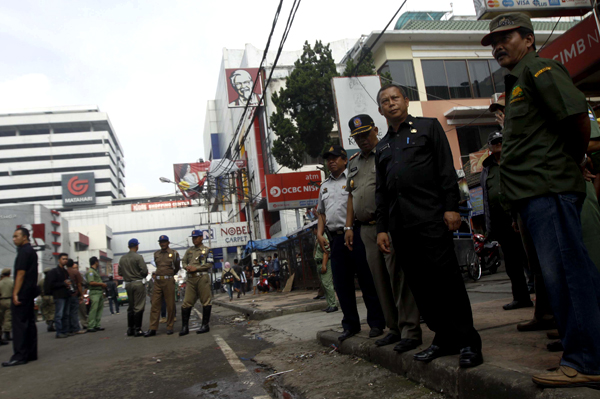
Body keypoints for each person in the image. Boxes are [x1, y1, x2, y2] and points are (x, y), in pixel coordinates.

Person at [481, 13, 600, 386]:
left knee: (568, 276)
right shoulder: (516, 82)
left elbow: (577, 117)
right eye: (494, 41)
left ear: (529, 40)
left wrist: (571, 162)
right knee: (560, 279)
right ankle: (580, 354)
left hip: (549, 192)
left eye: (507, 37)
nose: (499, 45)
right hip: (534, 198)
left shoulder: (539, 70)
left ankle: (586, 362)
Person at [375, 84, 483, 368]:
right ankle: (444, 337)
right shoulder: (382, 146)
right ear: (380, 109)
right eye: (385, 101)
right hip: (401, 227)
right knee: (421, 286)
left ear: (406, 101)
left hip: (431, 219)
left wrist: (451, 207)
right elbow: (382, 192)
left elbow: (445, 169)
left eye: (395, 97)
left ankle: (468, 340)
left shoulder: (428, 127)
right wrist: (382, 229)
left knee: (447, 281)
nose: (391, 103)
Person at [345, 114, 422, 352]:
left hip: (388, 225)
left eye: (366, 134)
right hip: (365, 229)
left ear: (376, 130)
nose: (363, 140)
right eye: (357, 137)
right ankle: (394, 328)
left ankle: (410, 330)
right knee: (379, 280)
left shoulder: (388, 152)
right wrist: (349, 226)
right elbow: (351, 195)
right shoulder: (353, 162)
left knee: (398, 277)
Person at [317, 144, 386, 342]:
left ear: (345, 160)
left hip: (357, 233)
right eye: (328, 158)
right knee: (342, 284)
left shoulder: (353, 179)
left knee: (367, 280)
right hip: (336, 239)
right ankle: (350, 325)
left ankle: (376, 323)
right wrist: (320, 235)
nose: (331, 161)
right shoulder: (324, 187)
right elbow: (321, 213)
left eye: (336, 158)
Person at [480, 131, 532, 311]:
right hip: (501, 221)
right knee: (511, 262)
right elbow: (486, 199)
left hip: (520, 215)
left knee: (532, 259)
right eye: (494, 142)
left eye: (501, 141)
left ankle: (545, 301)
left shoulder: (516, 160)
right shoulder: (487, 169)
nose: (498, 144)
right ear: (489, 147)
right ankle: (521, 297)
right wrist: (489, 227)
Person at [2, 228, 38, 367]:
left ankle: (20, 355)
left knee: (19, 325)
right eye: (13, 236)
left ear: (25, 237)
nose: (13, 239)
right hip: (30, 292)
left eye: (16, 236)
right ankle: (31, 353)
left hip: (22, 293)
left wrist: (15, 293)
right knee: (29, 323)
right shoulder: (32, 251)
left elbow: (21, 273)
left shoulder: (24, 251)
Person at [145, 235, 180, 337]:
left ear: (168, 242)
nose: (163, 243)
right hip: (158, 281)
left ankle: (169, 326)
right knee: (155, 304)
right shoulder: (156, 254)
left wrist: (170, 274)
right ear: (159, 243)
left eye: (164, 242)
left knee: (170, 304)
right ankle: (152, 328)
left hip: (168, 280)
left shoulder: (174, 253)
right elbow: (156, 265)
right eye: (161, 242)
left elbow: (177, 267)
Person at [180, 230, 214, 336]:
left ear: (201, 238)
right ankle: (185, 327)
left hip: (202, 277)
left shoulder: (207, 250)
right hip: (190, 279)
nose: (194, 239)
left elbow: (210, 264)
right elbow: (183, 261)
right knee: (186, 302)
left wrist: (197, 268)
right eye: (193, 238)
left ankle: (205, 325)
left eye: (196, 237)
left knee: (206, 301)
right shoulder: (189, 251)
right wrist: (187, 267)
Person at [118, 238, 149, 337]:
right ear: (137, 246)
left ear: (128, 247)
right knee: (139, 306)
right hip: (137, 283)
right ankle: (137, 329)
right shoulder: (138, 257)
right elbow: (144, 271)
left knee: (131, 306)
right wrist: (138, 274)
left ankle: (130, 329)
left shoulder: (122, 258)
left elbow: (119, 272)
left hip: (127, 284)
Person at [45, 253, 72, 338]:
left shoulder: (65, 271)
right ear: (59, 260)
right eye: (63, 259)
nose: (65, 260)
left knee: (66, 314)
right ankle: (59, 332)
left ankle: (65, 330)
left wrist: (68, 285)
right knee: (59, 315)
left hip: (66, 295)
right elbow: (51, 284)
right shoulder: (54, 271)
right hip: (59, 296)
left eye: (66, 259)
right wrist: (63, 284)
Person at [312, 225, 337, 312]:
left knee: (327, 284)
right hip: (319, 262)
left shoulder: (323, 237)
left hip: (324, 262)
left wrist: (324, 265)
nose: (313, 232)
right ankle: (330, 304)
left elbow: (326, 252)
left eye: (314, 230)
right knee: (324, 285)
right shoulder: (318, 239)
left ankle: (333, 304)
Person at [86, 257, 106, 333]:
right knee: (94, 309)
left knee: (99, 310)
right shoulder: (91, 271)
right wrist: (102, 284)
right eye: (98, 262)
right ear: (95, 262)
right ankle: (91, 325)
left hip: (99, 292)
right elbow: (91, 282)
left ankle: (97, 325)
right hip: (94, 292)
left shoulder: (95, 271)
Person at [66, 259, 85, 334]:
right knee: (74, 312)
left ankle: (69, 328)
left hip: (66, 295)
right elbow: (79, 284)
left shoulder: (64, 272)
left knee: (67, 312)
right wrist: (81, 295)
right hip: (74, 294)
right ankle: (76, 328)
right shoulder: (76, 272)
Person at [38, 268, 55, 332]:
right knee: (52, 310)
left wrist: (42, 295)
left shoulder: (41, 281)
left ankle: (48, 321)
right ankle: (51, 323)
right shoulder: (52, 280)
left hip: (44, 297)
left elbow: (38, 289)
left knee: (45, 310)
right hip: (51, 297)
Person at [72, 262, 89, 330]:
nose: (75, 269)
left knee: (82, 310)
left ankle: (84, 324)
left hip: (80, 295)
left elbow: (85, 284)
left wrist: (84, 292)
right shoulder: (69, 275)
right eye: (73, 268)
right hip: (72, 295)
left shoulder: (80, 275)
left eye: (76, 268)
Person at [0, 268, 13, 344]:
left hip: (1, 300)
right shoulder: (12, 282)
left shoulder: (0, 282)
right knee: (8, 318)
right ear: (9, 274)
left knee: (0, 319)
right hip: (9, 300)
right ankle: (7, 334)